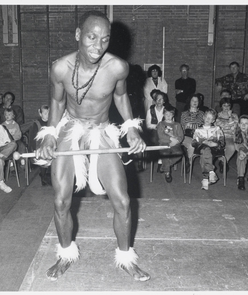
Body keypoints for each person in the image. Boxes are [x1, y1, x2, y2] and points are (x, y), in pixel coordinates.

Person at [35, 10, 149, 282]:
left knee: (122, 200)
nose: (98, 46)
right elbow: (58, 102)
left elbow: (121, 98)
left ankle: (126, 258)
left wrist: (131, 128)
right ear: (78, 35)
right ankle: (64, 255)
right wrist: (50, 134)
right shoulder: (60, 68)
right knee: (61, 200)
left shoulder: (117, 67)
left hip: (101, 130)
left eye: (105, 39)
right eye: (91, 37)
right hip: (70, 127)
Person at [192, 109, 225, 190]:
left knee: (204, 156)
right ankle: (210, 172)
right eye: (206, 117)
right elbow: (193, 143)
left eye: (210, 118)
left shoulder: (217, 129)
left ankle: (206, 179)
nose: (207, 119)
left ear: (213, 120)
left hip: (215, 149)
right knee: (205, 150)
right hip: (201, 148)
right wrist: (202, 141)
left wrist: (216, 144)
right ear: (203, 117)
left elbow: (222, 143)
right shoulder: (198, 130)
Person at [156, 105, 184, 183]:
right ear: (163, 115)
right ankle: (167, 173)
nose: (168, 116)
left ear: (173, 115)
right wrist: (170, 139)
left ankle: (164, 166)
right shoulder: (161, 124)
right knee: (165, 154)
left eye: (170, 114)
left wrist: (177, 141)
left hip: (175, 144)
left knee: (179, 154)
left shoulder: (177, 125)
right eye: (166, 114)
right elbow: (160, 136)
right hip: (164, 143)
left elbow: (181, 136)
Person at [145, 90, 168, 172]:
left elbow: (171, 124)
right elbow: (148, 124)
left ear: (164, 101)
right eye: (157, 99)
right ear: (154, 100)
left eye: (161, 99)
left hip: (165, 131)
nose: (159, 101)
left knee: (164, 139)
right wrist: (156, 126)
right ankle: (159, 160)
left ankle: (160, 162)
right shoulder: (150, 110)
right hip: (153, 131)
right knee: (156, 138)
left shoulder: (167, 111)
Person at [180, 93, 205, 172]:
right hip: (187, 136)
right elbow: (182, 127)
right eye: (193, 100)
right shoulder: (184, 114)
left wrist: (191, 125)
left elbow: (203, 126)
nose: (195, 102)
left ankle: (206, 168)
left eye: (196, 101)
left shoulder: (202, 114)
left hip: (199, 135)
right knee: (191, 145)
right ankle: (189, 162)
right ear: (189, 102)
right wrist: (190, 126)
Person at [28, 105, 51, 186]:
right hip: (39, 147)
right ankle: (43, 177)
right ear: (40, 114)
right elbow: (32, 138)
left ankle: (49, 175)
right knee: (43, 157)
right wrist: (35, 149)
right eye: (45, 113)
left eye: (49, 113)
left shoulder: (51, 122)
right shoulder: (36, 124)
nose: (47, 115)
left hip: (50, 146)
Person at [215, 96, 238, 173]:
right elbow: (218, 127)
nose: (226, 107)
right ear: (221, 106)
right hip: (219, 136)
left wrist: (229, 117)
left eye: (228, 105)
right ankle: (223, 162)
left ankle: (223, 161)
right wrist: (229, 125)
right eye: (224, 105)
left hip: (231, 137)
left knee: (231, 147)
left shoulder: (234, 116)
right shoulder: (217, 115)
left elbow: (234, 129)